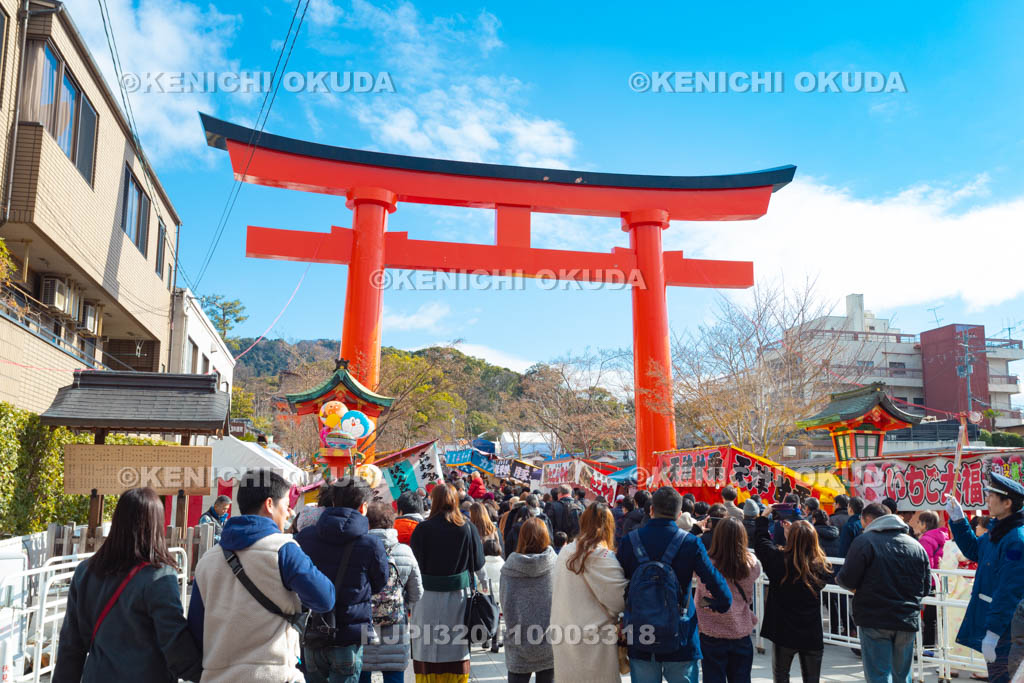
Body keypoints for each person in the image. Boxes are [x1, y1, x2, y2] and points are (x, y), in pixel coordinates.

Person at [189, 470, 335, 683]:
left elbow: (196, 631)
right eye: (286, 505)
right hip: (274, 675)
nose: (288, 513)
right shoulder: (284, 549)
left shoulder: (207, 561)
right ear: (269, 504)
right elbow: (325, 598)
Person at [54, 487, 201, 683]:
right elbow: (174, 642)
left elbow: (70, 647)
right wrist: (205, 674)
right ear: (156, 524)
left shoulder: (85, 571)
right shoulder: (159, 576)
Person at [618, 487, 732, 683]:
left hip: (640, 634)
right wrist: (708, 604)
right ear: (679, 514)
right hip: (681, 635)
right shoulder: (690, 543)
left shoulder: (629, 541)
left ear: (651, 510)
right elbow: (722, 593)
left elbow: (619, 585)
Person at [293, 476, 389, 683]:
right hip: (350, 635)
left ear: (333, 501)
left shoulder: (305, 537)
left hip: (312, 632)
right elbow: (380, 583)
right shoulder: (371, 544)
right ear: (363, 507)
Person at [837, 503, 931, 683]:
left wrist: (860, 590)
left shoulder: (865, 541)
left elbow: (846, 579)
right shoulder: (915, 545)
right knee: (903, 676)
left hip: (874, 618)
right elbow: (926, 587)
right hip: (906, 618)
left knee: (879, 676)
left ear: (868, 520)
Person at [947, 473, 1024, 683]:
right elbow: (974, 550)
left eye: (991, 495)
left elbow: (1009, 591)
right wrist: (959, 520)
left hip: (1008, 630)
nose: (987, 499)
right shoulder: (997, 531)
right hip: (999, 625)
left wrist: (993, 632)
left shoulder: (1016, 539)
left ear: (1007, 503)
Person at [409, 483, 486, 683]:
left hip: (426, 597)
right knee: (456, 644)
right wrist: (485, 584)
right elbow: (478, 564)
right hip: (458, 597)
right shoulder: (467, 528)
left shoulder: (422, 528)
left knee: (426, 642)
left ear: (433, 501)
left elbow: (413, 565)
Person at [550, 503, 628, 683]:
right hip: (595, 640)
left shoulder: (566, 551)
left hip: (564, 633)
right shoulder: (602, 556)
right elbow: (620, 600)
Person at [753, 506, 832, 683]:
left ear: (791, 537)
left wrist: (764, 517)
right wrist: (795, 531)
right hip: (810, 630)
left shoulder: (778, 560)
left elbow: (761, 542)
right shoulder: (820, 566)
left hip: (784, 629)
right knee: (812, 679)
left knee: (781, 676)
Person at [359, 502, 424, 683]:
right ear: (391, 523)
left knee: (362, 674)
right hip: (395, 627)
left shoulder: (356, 550)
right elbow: (417, 592)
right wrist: (402, 606)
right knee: (394, 676)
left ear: (368, 523)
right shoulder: (405, 551)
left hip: (363, 626)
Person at [696, 516, 760, 683]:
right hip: (741, 631)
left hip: (710, 632)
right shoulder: (752, 564)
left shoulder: (706, 563)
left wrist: (696, 531)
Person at [501, 518, 558, 683]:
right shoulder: (556, 565)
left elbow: (506, 605)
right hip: (550, 642)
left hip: (518, 643)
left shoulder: (509, 569)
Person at [914, 510, 949, 652]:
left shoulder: (926, 539)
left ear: (924, 524)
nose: (917, 525)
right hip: (942, 582)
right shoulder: (944, 536)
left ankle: (928, 648)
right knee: (938, 617)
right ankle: (937, 647)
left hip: (931, 582)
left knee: (929, 619)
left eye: (918, 522)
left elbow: (925, 562)